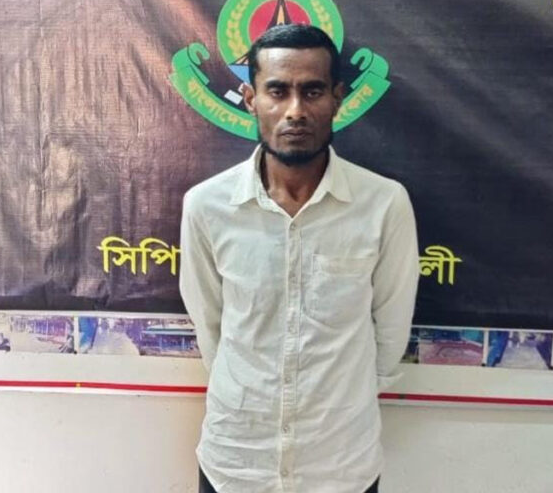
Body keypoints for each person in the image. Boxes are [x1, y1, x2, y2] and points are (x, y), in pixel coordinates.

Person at [179, 24, 420, 493]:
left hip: (341, 467)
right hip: (237, 464)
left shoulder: (383, 204)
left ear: (337, 98)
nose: (295, 111)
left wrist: (338, 405)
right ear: (250, 99)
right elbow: (212, 328)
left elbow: (390, 332)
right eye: (277, 91)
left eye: (312, 91)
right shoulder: (206, 206)